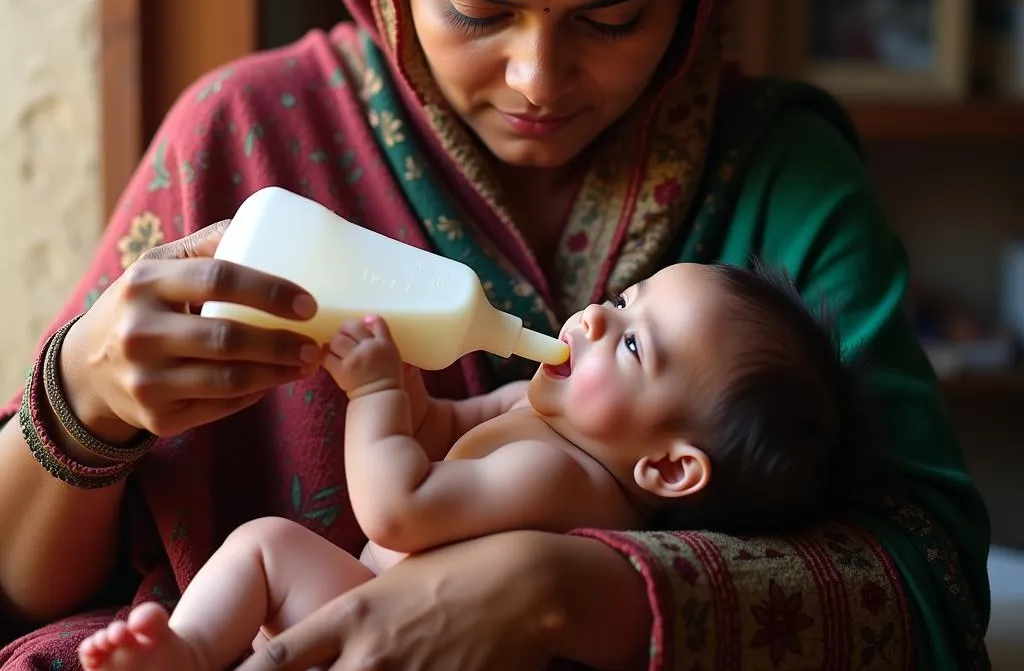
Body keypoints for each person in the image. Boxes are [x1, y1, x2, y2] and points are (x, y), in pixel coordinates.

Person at [0, 0, 990, 669]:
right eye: (476, 9)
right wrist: (84, 397)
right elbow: (11, 582)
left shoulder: (781, 170)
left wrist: (565, 591)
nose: (536, 78)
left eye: (615, 16)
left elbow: (932, 587)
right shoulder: (247, 132)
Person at [77, 260, 855, 671]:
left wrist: (376, 391)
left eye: (630, 344)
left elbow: (401, 509)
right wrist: (409, 390)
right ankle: (184, 653)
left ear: (668, 470)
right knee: (268, 551)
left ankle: (188, 655)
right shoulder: (542, 409)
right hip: (368, 608)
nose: (593, 316)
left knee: (264, 545)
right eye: (624, 298)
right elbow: (437, 429)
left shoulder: (563, 480)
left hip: (397, 632)